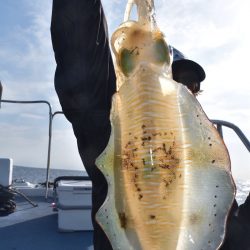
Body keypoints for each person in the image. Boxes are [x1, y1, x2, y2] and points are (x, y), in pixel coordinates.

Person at [50, 1, 209, 249]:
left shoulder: (204, 155)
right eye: (175, 79)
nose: (183, 89)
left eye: (190, 84)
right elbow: (82, 65)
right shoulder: (113, 137)